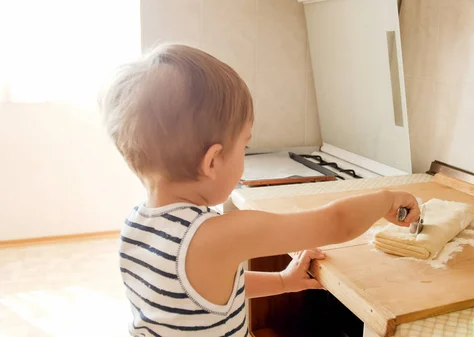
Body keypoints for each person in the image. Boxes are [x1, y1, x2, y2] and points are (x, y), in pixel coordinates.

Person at [100, 43, 420, 337]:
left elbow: (209, 291)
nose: (246, 155)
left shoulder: (135, 226)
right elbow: (335, 222)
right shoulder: (217, 234)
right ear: (212, 161)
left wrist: (283, 281)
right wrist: (387, 198)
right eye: (245, 145)